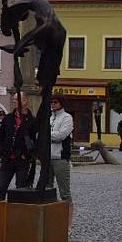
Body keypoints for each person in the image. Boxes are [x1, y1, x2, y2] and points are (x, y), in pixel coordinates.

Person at [0, 94, 36, 230]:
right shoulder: (8, 119)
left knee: (21, 191)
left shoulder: (32, 120)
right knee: (0, 190)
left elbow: (34, 140)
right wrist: (2, 153)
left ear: (25, 101)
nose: (14, 102)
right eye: (14, 99)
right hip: (8, 160)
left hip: (22, 161)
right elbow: (1, 137)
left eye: (17, 99)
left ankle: (20, 221)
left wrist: (26, 155)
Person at [48, 96, 74, 226]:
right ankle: (52, 219)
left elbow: (61, 135)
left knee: (64, 192)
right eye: (51, 102)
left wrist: (46, 135)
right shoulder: (50, 117)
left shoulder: (67, 117)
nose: (53, 104)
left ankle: (68, 222)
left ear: (61, 103)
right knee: (48, 190)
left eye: (55, 102)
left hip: (60, 158)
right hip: (47, 158)